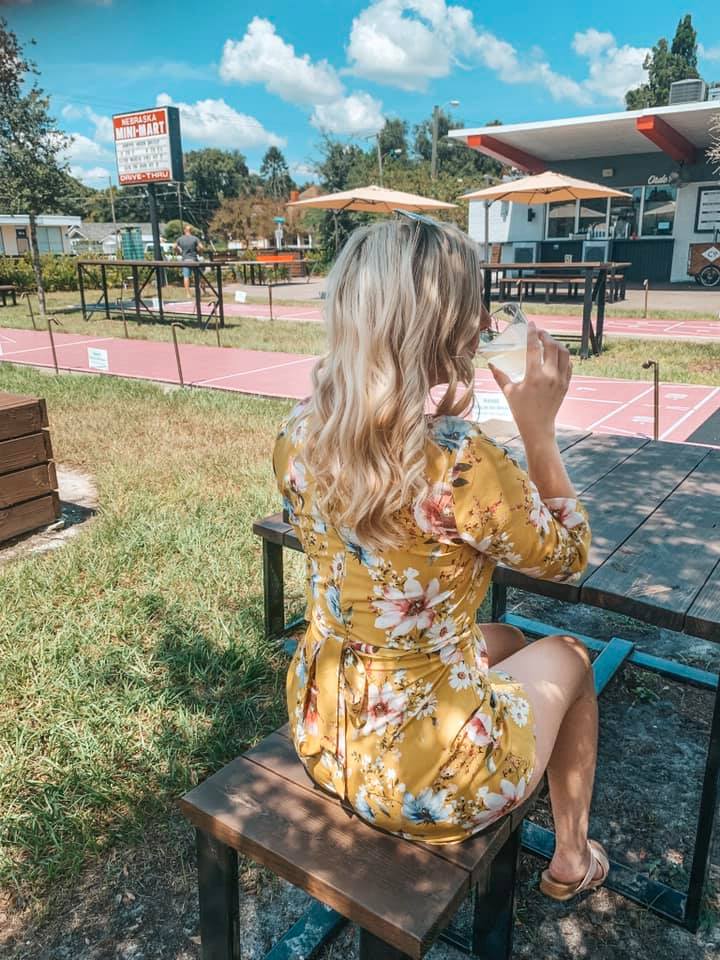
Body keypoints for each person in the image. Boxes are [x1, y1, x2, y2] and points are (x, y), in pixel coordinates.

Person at [273, 218, 608, 902]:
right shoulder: (463, 461)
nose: (485, 320)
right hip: (427, 780)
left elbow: (368, 536)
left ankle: (553, 820)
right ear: (441, 325)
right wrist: (537, 433)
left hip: (326, 731)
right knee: (571, 654)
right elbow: (568, 555)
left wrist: (431, 404)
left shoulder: (298, 432)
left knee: (509, 641)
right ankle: (572, 856)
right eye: (472, 305)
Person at [174, 224, 203, 299]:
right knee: (199, 276)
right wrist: (200, 252)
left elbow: (174, 246)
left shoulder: (180, 239)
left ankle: (188, 294)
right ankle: (201, 291)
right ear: (191, 231)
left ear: (184, 231)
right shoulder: (195, 238)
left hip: (185, 260)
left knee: (186, 277)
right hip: (194, 260)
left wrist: (178, 251)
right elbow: (201, 247)